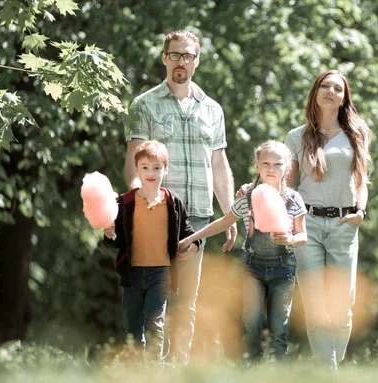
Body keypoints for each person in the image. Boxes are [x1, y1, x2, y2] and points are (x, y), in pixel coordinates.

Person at [122, 29, 237, 363]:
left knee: (186, 299)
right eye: (175, 55)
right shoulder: (144, 105)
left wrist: (229, 213)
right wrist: (136, 207)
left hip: (198, 220)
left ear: (197, 61)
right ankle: (147, 365)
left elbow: (219, 164)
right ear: (164, 58)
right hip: (156, 214)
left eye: (188, 56)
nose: (181, 62)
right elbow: (133, 162)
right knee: (151, 297)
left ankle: (178, 367)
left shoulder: (213, 110)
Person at [179, 140, 307, 362]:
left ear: (287, 168)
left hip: (283, 269)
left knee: (279, 329)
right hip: (252, 269)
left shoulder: (293, 199)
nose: (271, 168)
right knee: (251, 325)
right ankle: (252, 370)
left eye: (277, 164)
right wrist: (191, 237)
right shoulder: (248, 198)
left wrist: (290, 239)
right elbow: (224, 221)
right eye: (265, 163)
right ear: (257, 166)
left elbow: (303, 236)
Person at [284, 69, 372, 369]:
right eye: (325, 86)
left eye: (337, 88)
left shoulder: (357, 133)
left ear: (344, 97)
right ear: (316, 92)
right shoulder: (296, 136)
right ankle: (329, 371)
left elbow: (361, 180)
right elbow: (287, 184)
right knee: (314, 302)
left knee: (343, 305)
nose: (330, 92)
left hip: (343, 225)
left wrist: (360, 212)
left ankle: (331, 359)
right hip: (306, 224)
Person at [102, 140, 202, 360]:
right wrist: (109, 234)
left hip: (161, 273)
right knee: (132, 329)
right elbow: (113, 241)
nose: (151, 173)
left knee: (155, 324)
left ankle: (155, 370)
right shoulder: (124, 203)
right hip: (132, 273)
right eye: (145, 167)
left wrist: (194, 246)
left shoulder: (173, 202)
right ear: (136, 169)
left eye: (157, 168)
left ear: (165, 170)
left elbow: (188, 231)